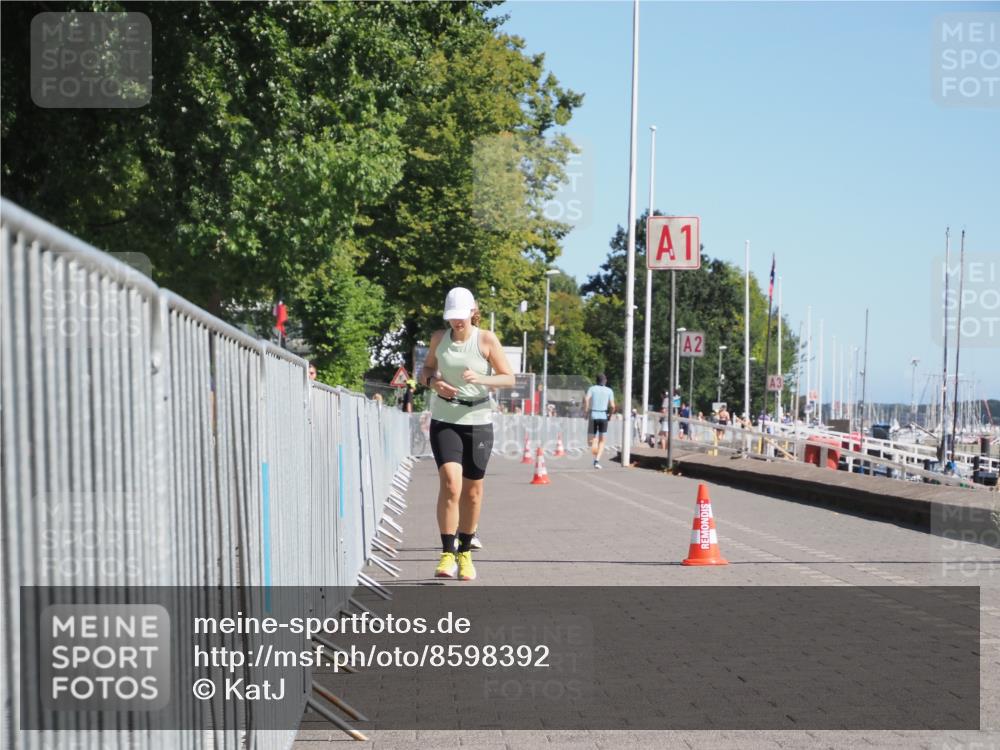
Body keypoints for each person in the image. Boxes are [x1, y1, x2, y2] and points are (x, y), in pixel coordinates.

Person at [420, 287, 514, 581]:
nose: (457, 323)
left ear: (473, 312)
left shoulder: (485, 339)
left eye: (461, 317)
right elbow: (424, 370)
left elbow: (508, 377)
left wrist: (482, 378)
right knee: (450, 484)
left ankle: (465, 553)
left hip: (478, 421)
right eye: (452, 318)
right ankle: (447, 553)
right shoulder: (439, 339)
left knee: (473, 493)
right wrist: (434, 382)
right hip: (445, 418)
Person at [583, 374, 616, 469]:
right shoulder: (609, 390)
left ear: (596, 380)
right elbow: (613, 406)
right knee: (602, 441)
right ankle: (597, 460)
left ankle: (595, 450)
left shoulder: (592, 388)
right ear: (605, 381)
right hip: (603, 416)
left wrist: (585, 412)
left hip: (593, 415)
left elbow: (586, 399)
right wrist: (610, 415)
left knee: (590, 441)